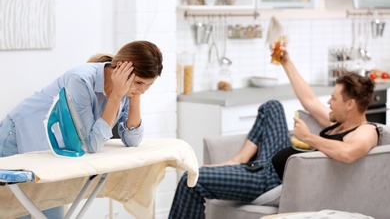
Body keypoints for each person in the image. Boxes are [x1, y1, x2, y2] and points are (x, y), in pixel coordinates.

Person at [168, 47, 379, 219]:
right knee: (272, 106)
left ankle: (243, 167)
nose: (328, 102)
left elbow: (348, 152)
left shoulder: (365, 132)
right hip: (271, 163)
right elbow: (310, 101)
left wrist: (308, 137)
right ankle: (238, 160)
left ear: (350, 104)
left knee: (192, 179)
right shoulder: (339, 121)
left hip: (270, 180)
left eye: (334, 98)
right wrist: (286, 62)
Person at [0, 40, 163, 218]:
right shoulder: (81, 80)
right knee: (17, 212)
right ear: (121, 70)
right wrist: (116, 96)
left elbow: (132, 140)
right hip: (19, 135)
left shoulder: (128, 91)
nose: (143, 90)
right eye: (139, 83)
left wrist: (134, 98)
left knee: (51, 211)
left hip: (50, 151)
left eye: (149, 85)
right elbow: (91, 144)